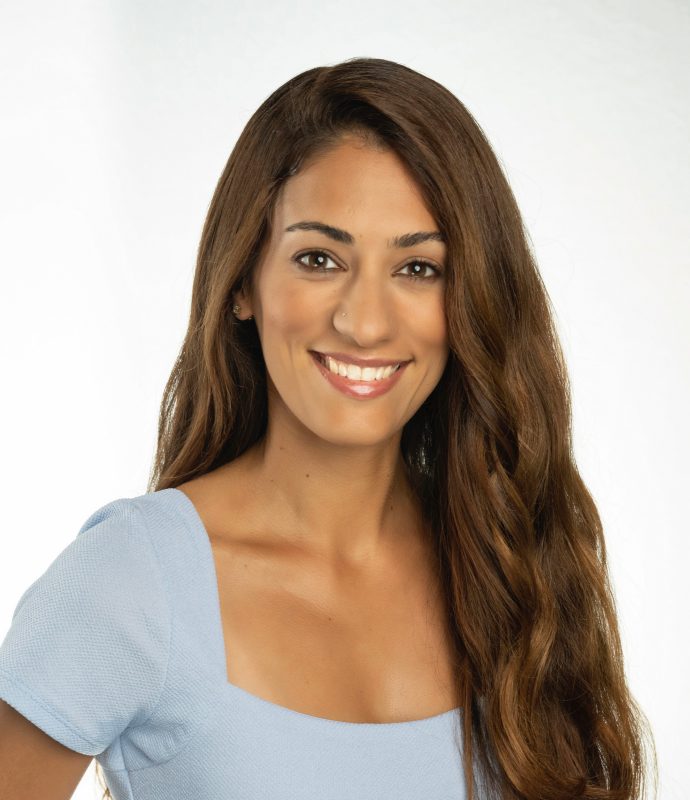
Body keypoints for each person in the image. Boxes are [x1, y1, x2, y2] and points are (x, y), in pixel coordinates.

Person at [0, 57, 655, 800]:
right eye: (319, 258)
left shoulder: (512, 567)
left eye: (418, 269)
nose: (364, 322)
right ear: (243, 281)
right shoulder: (128, 582)